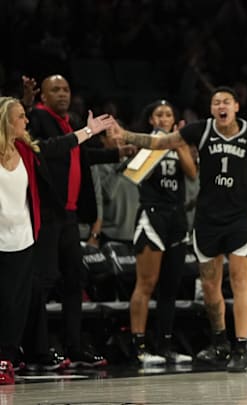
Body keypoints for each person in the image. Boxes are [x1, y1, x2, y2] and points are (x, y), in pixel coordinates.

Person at [112, 86, 247, 373]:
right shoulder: (202, 130)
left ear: (235, 107)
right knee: (209, 287)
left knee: (239, 279)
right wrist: (127, 135)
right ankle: (220, 341)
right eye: (216, 102)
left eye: (227, 102)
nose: (222, 106)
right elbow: (161, 143)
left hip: (242, 217)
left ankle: (240, 346)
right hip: (207, 219)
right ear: (212, 109)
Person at [0, 96, 113, 383]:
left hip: (23, 238)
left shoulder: (26, 149)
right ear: (6, 122)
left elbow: (59, 145)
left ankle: (7, 358)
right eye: (21, 117)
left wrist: (88, 131)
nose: (27, 121)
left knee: (17, 302)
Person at [22, 75, 122, 370]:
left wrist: (116, 153)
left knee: (75, 280)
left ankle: (74, 347)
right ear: (43, 96)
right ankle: (36, 350)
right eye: (55, 89)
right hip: (48, 213)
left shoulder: (71, 121)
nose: (63, 94)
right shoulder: (39, 118)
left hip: (69, 215)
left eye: (66, 89)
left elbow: (80, 154)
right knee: (43, 281)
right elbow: (41, 147)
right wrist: (27, 105)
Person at [128, 100, 197, 366]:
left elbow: (192, 174)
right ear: (151, 119)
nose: (164, 118)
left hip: (177, 217)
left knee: (170, 287)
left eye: (169, 114)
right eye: (159, 114)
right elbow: (135, 173)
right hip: (152, 214)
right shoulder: (145, 143)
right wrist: (157, 142)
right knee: (146, 283)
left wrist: (178, 143)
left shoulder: (180, 144)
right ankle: (139, 345)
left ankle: (165, 345)